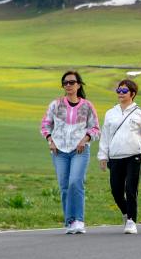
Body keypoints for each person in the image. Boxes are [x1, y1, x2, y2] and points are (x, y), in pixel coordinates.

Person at [41, 70, 100, 234]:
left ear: (78, 85)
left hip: (79, 150)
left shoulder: (87, 106)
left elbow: (95, 128)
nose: (68, 85)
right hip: (59, 151)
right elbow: (45, 125)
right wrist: (50, 140)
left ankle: (79, 220)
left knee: (75, 182)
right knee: (64, 185)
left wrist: (85, 139)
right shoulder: (55, 105)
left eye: (72, 82)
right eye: (65, 83)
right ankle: (70, 221)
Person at [97, 79, 141, 234]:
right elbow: (105, 136)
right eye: (119, 90)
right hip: (115, 157)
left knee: (131, 189)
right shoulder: (110, 113)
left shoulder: (140, 113)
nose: (121, 93)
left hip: (134, 156)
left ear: (132, 94)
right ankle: (125, 212)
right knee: (116, 191)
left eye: (124, 91)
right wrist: (102, 156)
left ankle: (131, 220)